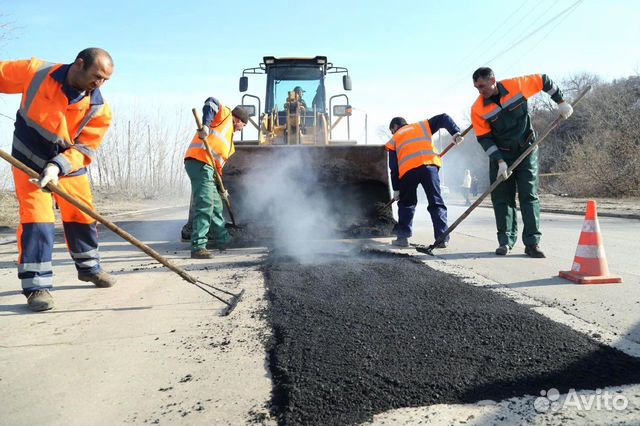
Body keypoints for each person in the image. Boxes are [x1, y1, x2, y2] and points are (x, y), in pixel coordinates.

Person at [0, 48, 115, 312]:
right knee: (37, 220)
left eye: (105, 80)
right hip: (28, 162)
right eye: (97, 76)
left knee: (83, 215)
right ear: (79, 64)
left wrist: (57, 166)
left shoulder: (99, 108)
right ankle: (36, 286)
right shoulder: (36, 72)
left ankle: (89, 267)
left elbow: (86, 149)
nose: (99, 84)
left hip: (67, 166)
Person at [470, 67, 573, 258]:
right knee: (502, 199)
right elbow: (484, 138)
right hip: (501, 156)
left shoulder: (516, 86)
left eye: (482, 86)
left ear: (493, 80)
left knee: (529, 195)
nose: (480, 91)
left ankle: (532, 243)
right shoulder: (478, 109)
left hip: (527, 149)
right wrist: (500, 161)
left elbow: (543, 79)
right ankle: (505, 242)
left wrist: (561, 102)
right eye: (476, 88)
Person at [385, 115, 464, 248]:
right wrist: (455, 132)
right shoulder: (422, 126)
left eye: (392, 130)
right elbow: (443, 117)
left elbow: (394, 168)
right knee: (436, 202)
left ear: (395, 127)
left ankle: (402, 239)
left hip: (408, 172)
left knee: (407, 204)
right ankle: (442, 238)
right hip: (429, 168)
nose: (393, 133)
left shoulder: (394, 139)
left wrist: (396, 189)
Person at [184, 98, 248, 259]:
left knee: (217, 206)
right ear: (239, 119)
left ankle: (223, 240)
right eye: (243, 125)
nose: (242, 129)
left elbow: (218, 166)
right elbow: (211, 102)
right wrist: (205, 125)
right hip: (199, 162)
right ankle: (198, 247)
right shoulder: (225, 115)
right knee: (205, 204)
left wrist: (221, 189)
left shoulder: (230, 144)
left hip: (209, 169)